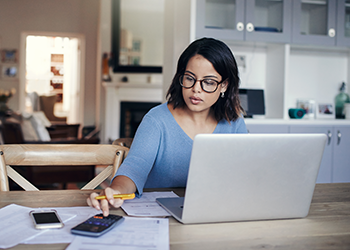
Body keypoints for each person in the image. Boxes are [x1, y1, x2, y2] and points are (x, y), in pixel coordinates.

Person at [87, 37, 248, 216]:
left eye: (208, 82)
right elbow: (134, 168)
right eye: (190, 78)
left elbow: (245, 173)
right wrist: (116, 191)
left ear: (224, 85)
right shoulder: (156, 120)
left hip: (214, 213)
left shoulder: (234, 121)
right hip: (159, 216)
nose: (196, 89)